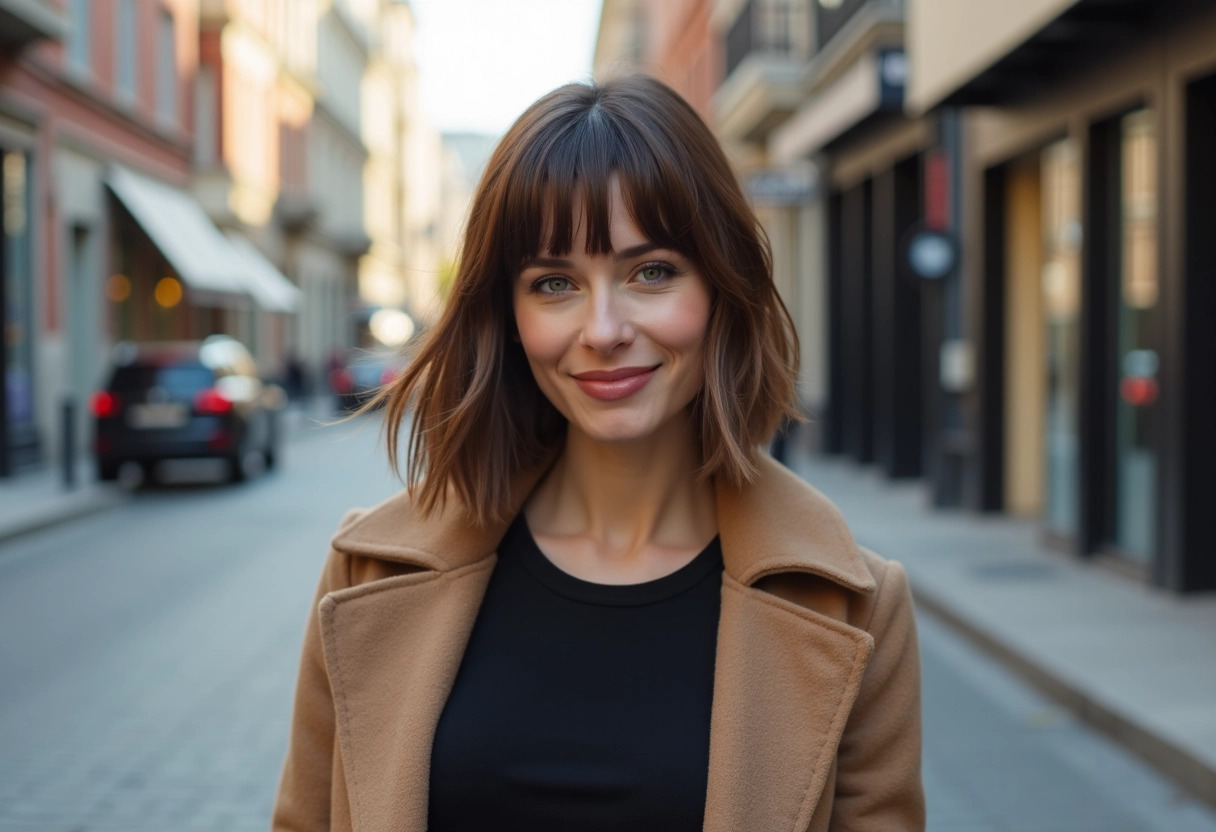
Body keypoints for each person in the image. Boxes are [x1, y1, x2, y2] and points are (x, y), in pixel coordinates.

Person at [272, 75, 924, 832]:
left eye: (651, 272)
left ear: (721, 286)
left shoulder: (857, 604)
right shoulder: (369, 571)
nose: (604, 328)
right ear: (508, 317)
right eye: (555, 283)